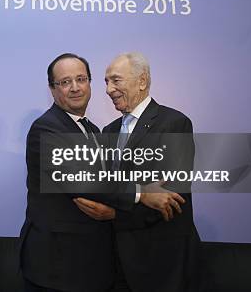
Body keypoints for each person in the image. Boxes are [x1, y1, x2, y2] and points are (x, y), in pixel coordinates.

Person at [19, 53, 184, 292]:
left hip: (100, 265)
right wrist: (142, 193)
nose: (75, 88)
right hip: (57, 267)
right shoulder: (47, 128)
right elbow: (83, 180)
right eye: (65, 82)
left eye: (81, 79)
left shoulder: (97, 131)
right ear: (52, 89)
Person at [75, 52, 200, 292]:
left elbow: (173, 196)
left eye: (116, 80)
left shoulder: (174, 123)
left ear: (142, 81)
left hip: (161, 261)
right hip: (116, 260)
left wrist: (115, 215)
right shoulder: (109, 131)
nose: (109, 89)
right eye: (106, 82)